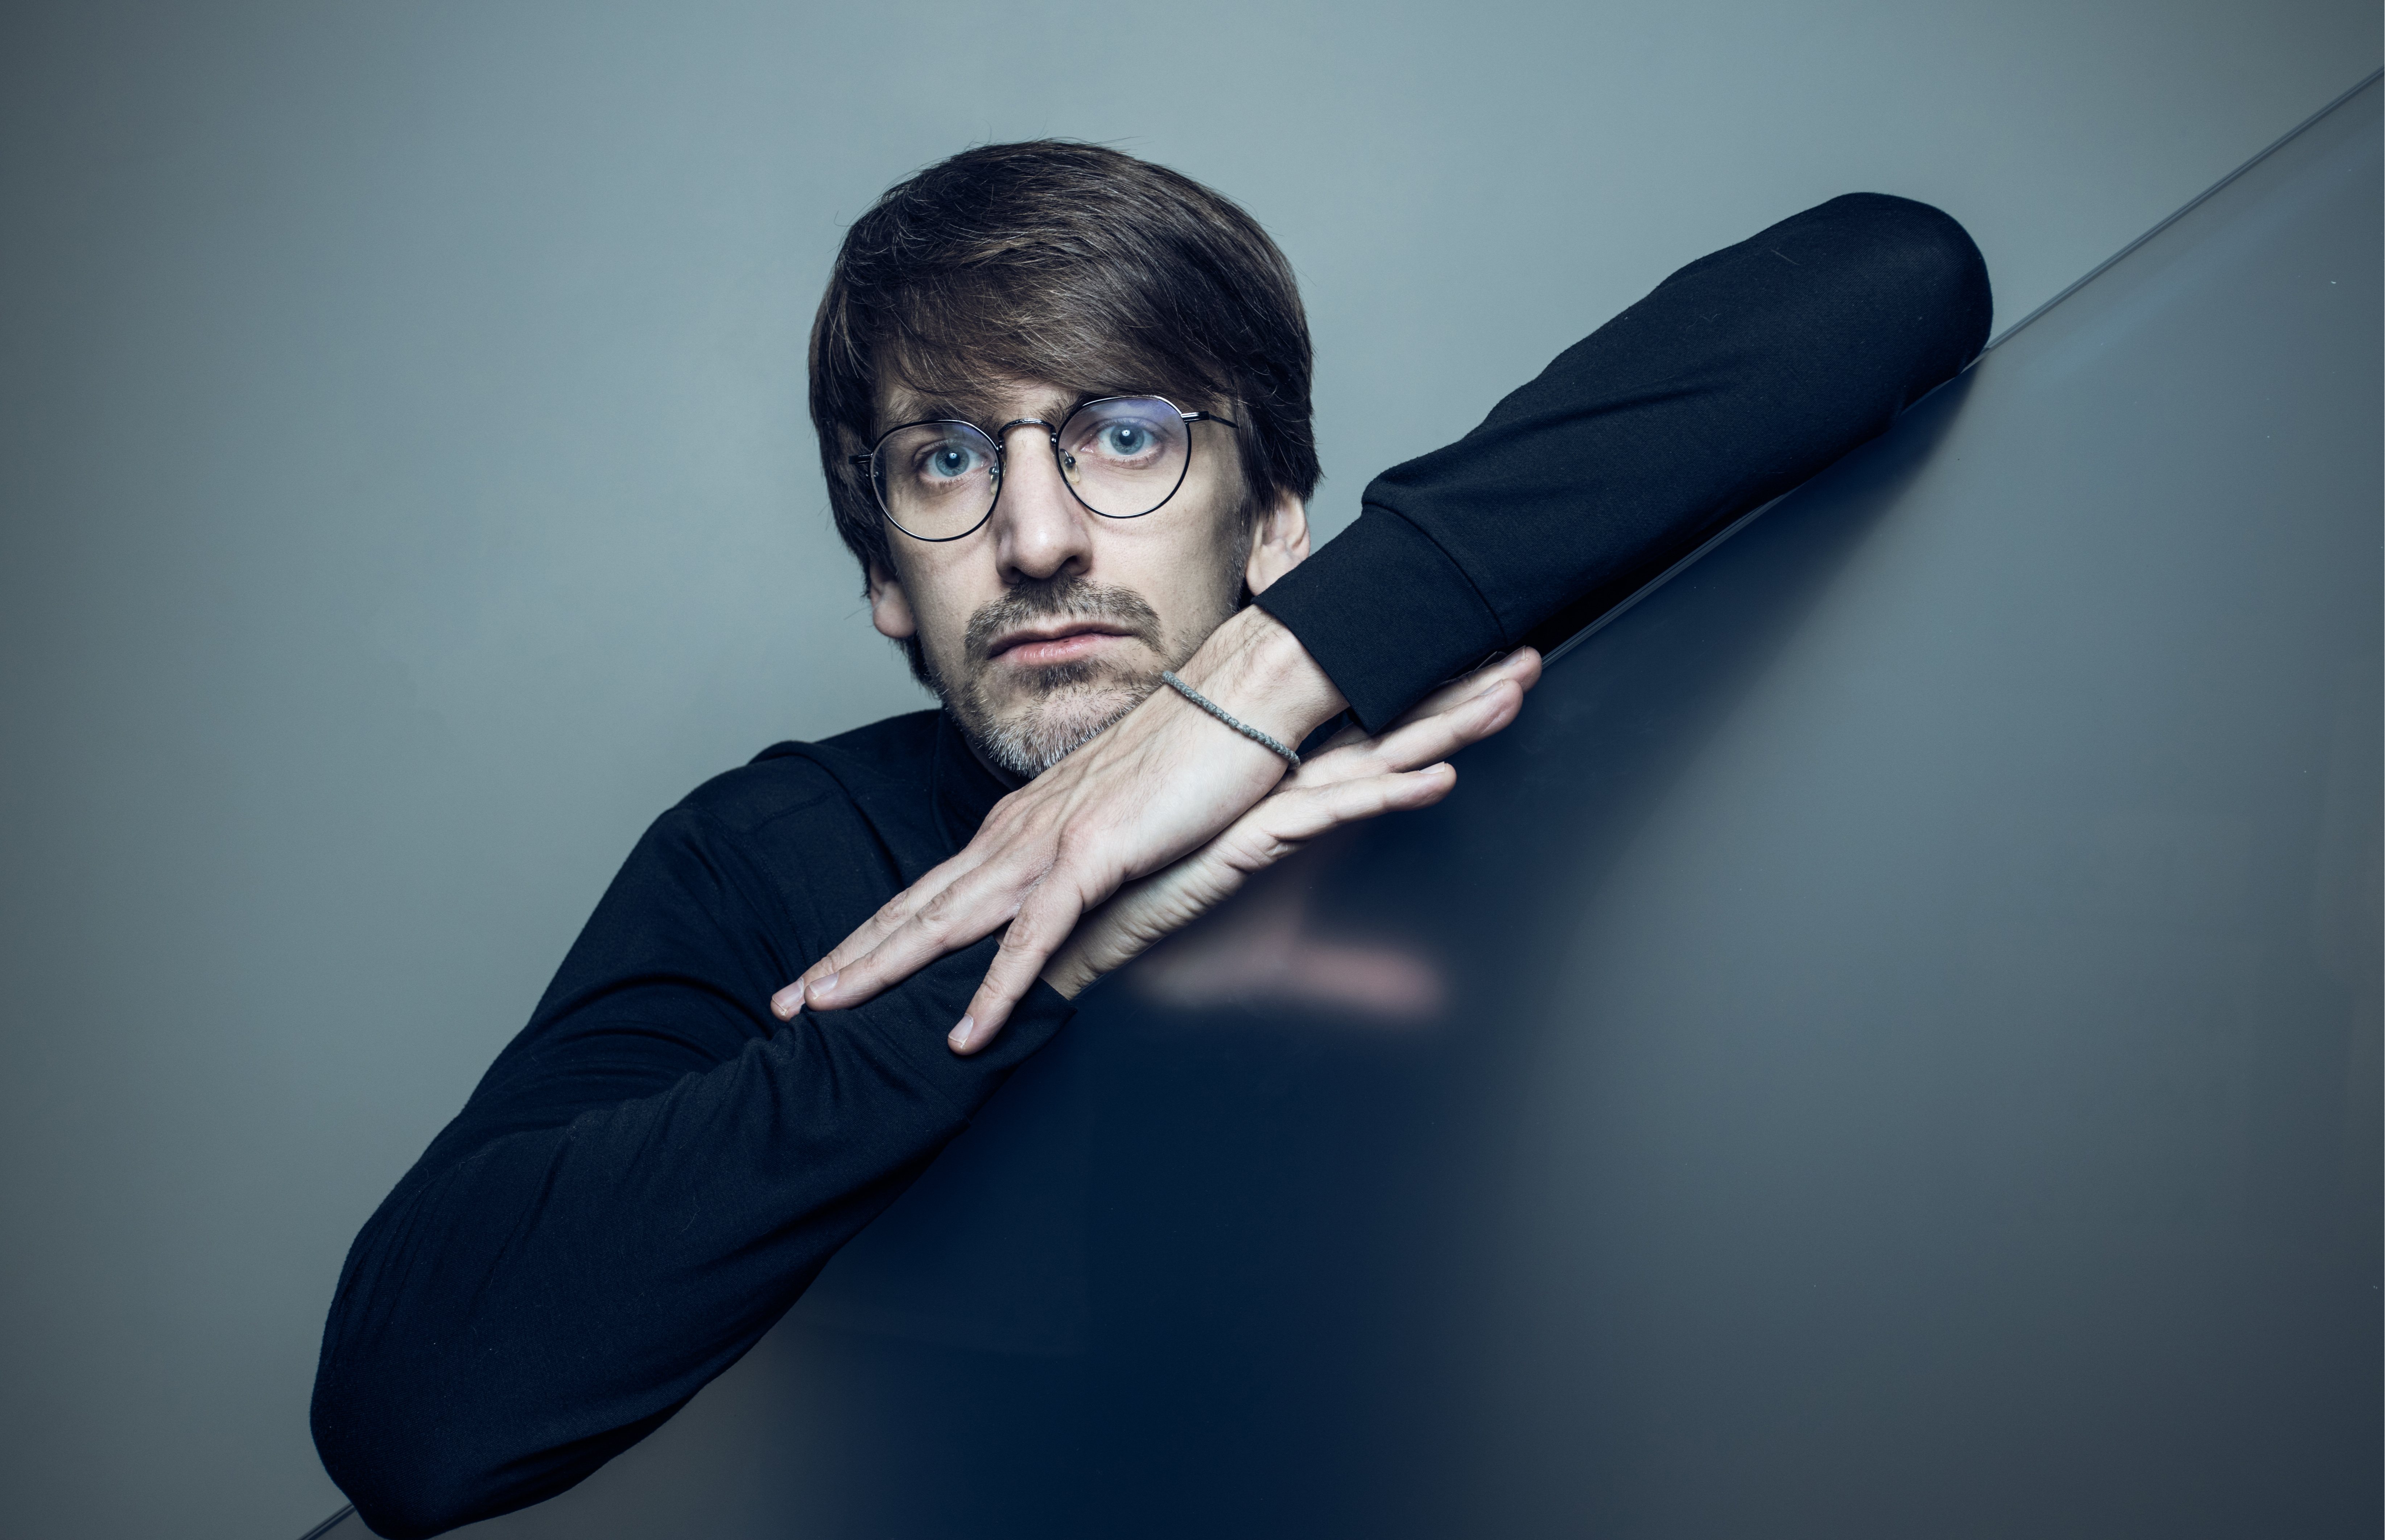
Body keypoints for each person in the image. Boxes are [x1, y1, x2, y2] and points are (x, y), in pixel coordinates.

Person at [311, 141, 1990, 1537]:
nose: (1038, 536)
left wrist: (1250, 695)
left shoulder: (1443, 702)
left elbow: (1894, 274)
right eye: (947, 459)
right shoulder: (766, 858)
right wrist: (1051, 935)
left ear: (1273, 518)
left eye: (1127, 435)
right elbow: (409, 1422)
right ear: (885, 574)